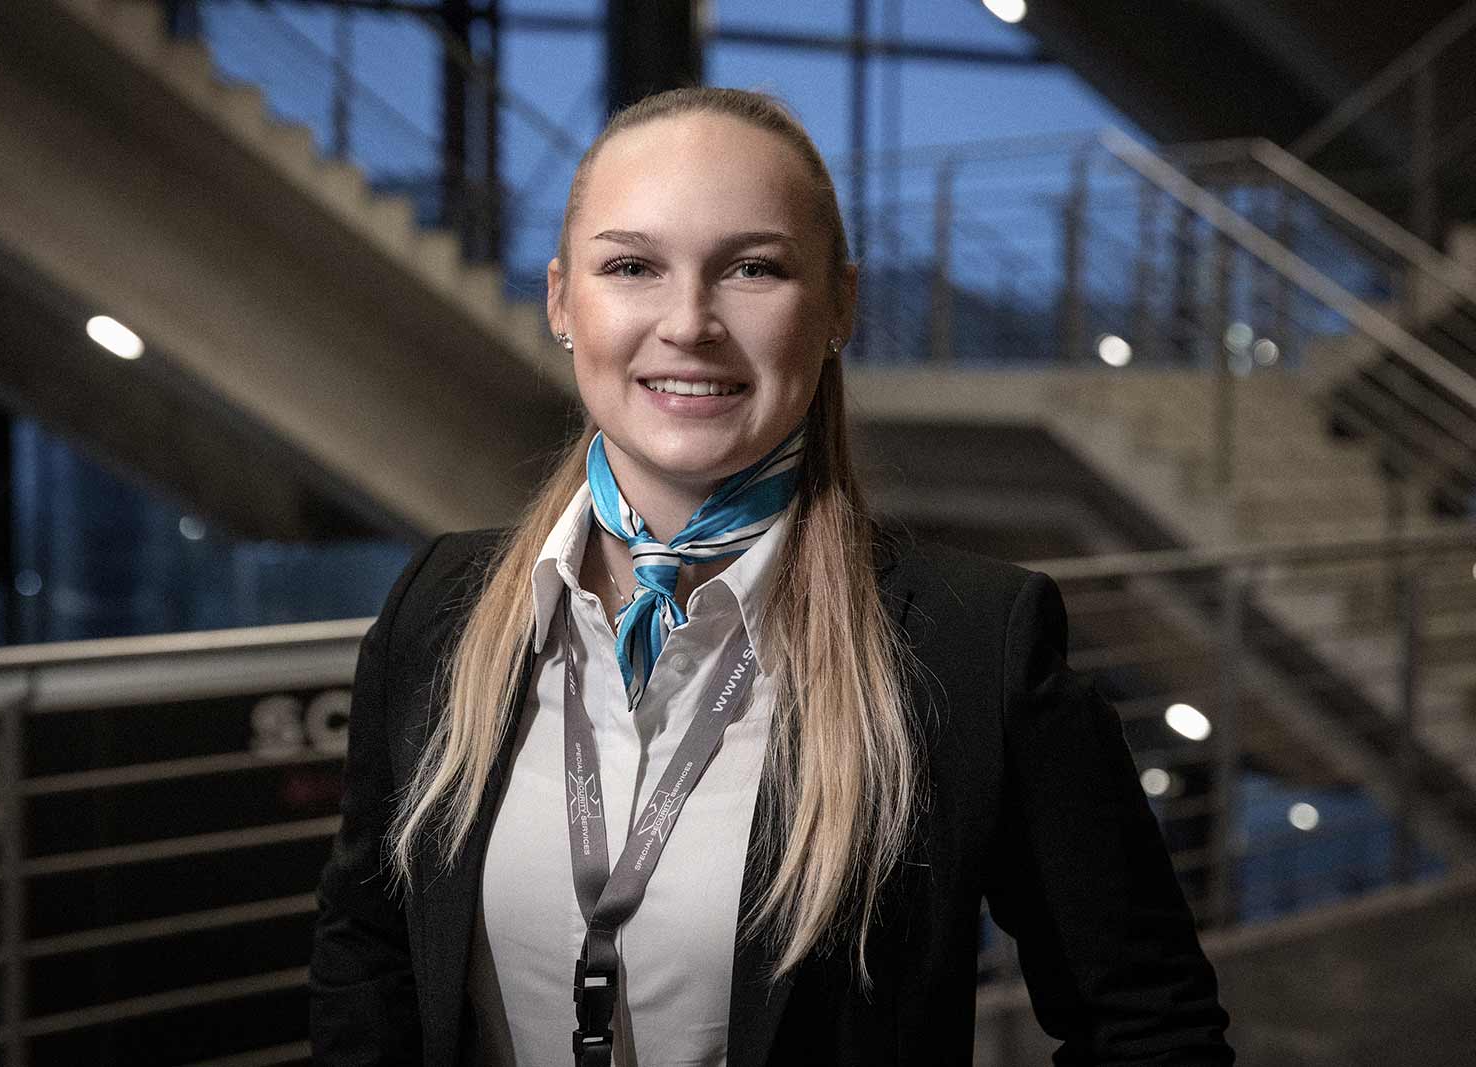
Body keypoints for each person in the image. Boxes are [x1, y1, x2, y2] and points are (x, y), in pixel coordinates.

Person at [309, 87, 1233, 1066]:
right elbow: (367, 960)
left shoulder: (971, 647)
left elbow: (1151, 1027)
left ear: (838, 305)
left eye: (752, 268)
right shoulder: (440, 607)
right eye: (632, 266)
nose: (689, 323)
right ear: (562, 302)